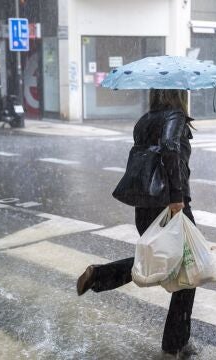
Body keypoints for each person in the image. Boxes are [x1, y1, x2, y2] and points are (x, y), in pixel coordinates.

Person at [76, 89, 196, 357]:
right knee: (188, 269)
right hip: (170, 205)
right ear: (179, 93)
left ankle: (100, 276)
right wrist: (177, 197)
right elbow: (169, 148)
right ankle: (174, 346)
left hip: (146, 205)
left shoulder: (145, 120)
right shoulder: (174, 115)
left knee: (163, 261)